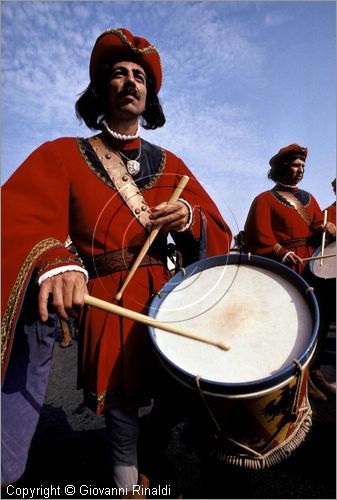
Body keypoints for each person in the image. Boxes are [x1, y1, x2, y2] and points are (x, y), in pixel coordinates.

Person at [1, 27, 232, 494]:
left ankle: (157, 444)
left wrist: (189, 217)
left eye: (140, 77)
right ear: (101, 90)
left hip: (166, 296)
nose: (131, 81)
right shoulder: (63, 154)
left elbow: (218, 230)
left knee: (181, 388)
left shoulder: (173, 165)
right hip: (107, 296)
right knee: (122, 401)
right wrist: (56, 259)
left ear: (150, 95)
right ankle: (124, 482)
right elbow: (18, 216)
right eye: (120, 74)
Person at [243, 144, 336, 401]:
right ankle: (293, 383)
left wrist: (325, 227)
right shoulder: (264, 199)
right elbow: (257, 236)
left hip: (310, 267)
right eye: (296, 165)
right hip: (284, 269)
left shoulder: (310, 198)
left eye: (303, 166)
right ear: (282, 167)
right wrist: (281, 252)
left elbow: (317, 227)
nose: (301, 170)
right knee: (291, 328)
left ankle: (314, 373)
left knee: (319, 321)